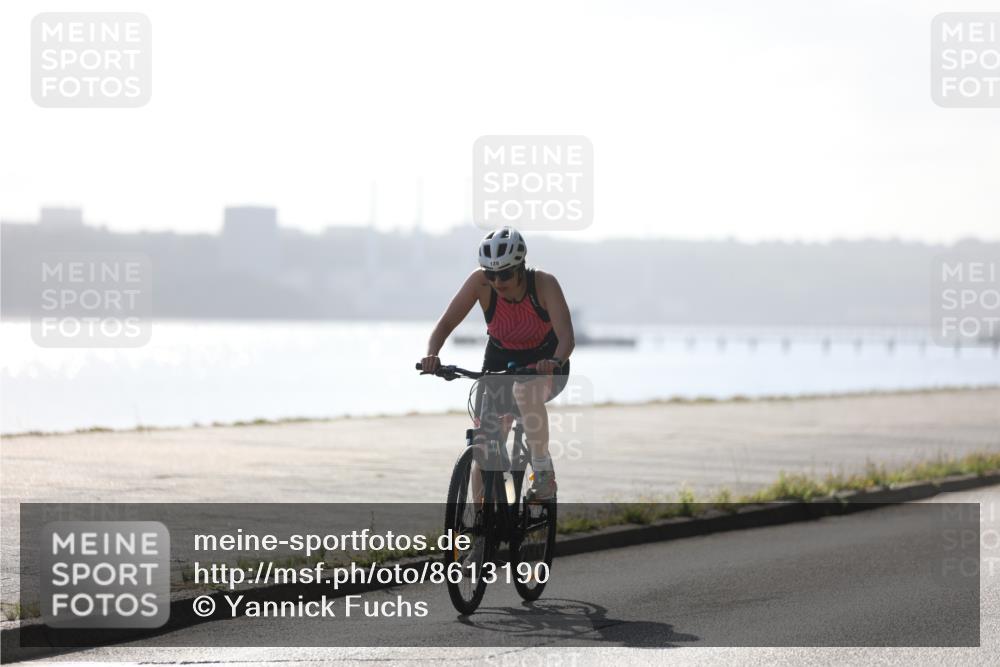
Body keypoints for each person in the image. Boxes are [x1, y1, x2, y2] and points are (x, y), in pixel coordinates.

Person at [420, 226, 575, 501]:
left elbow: (567, 338)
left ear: (520, 267)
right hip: (500, 359)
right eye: (491, 274)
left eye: (504, 274)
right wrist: (432, 354)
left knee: (524, 392)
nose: (497, 281)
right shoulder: (479, 283)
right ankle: (480, 532)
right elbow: (445, 324)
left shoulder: (544, 284)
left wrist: (554, 361)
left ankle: (543, 474)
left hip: (546, 361)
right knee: (484, 447)